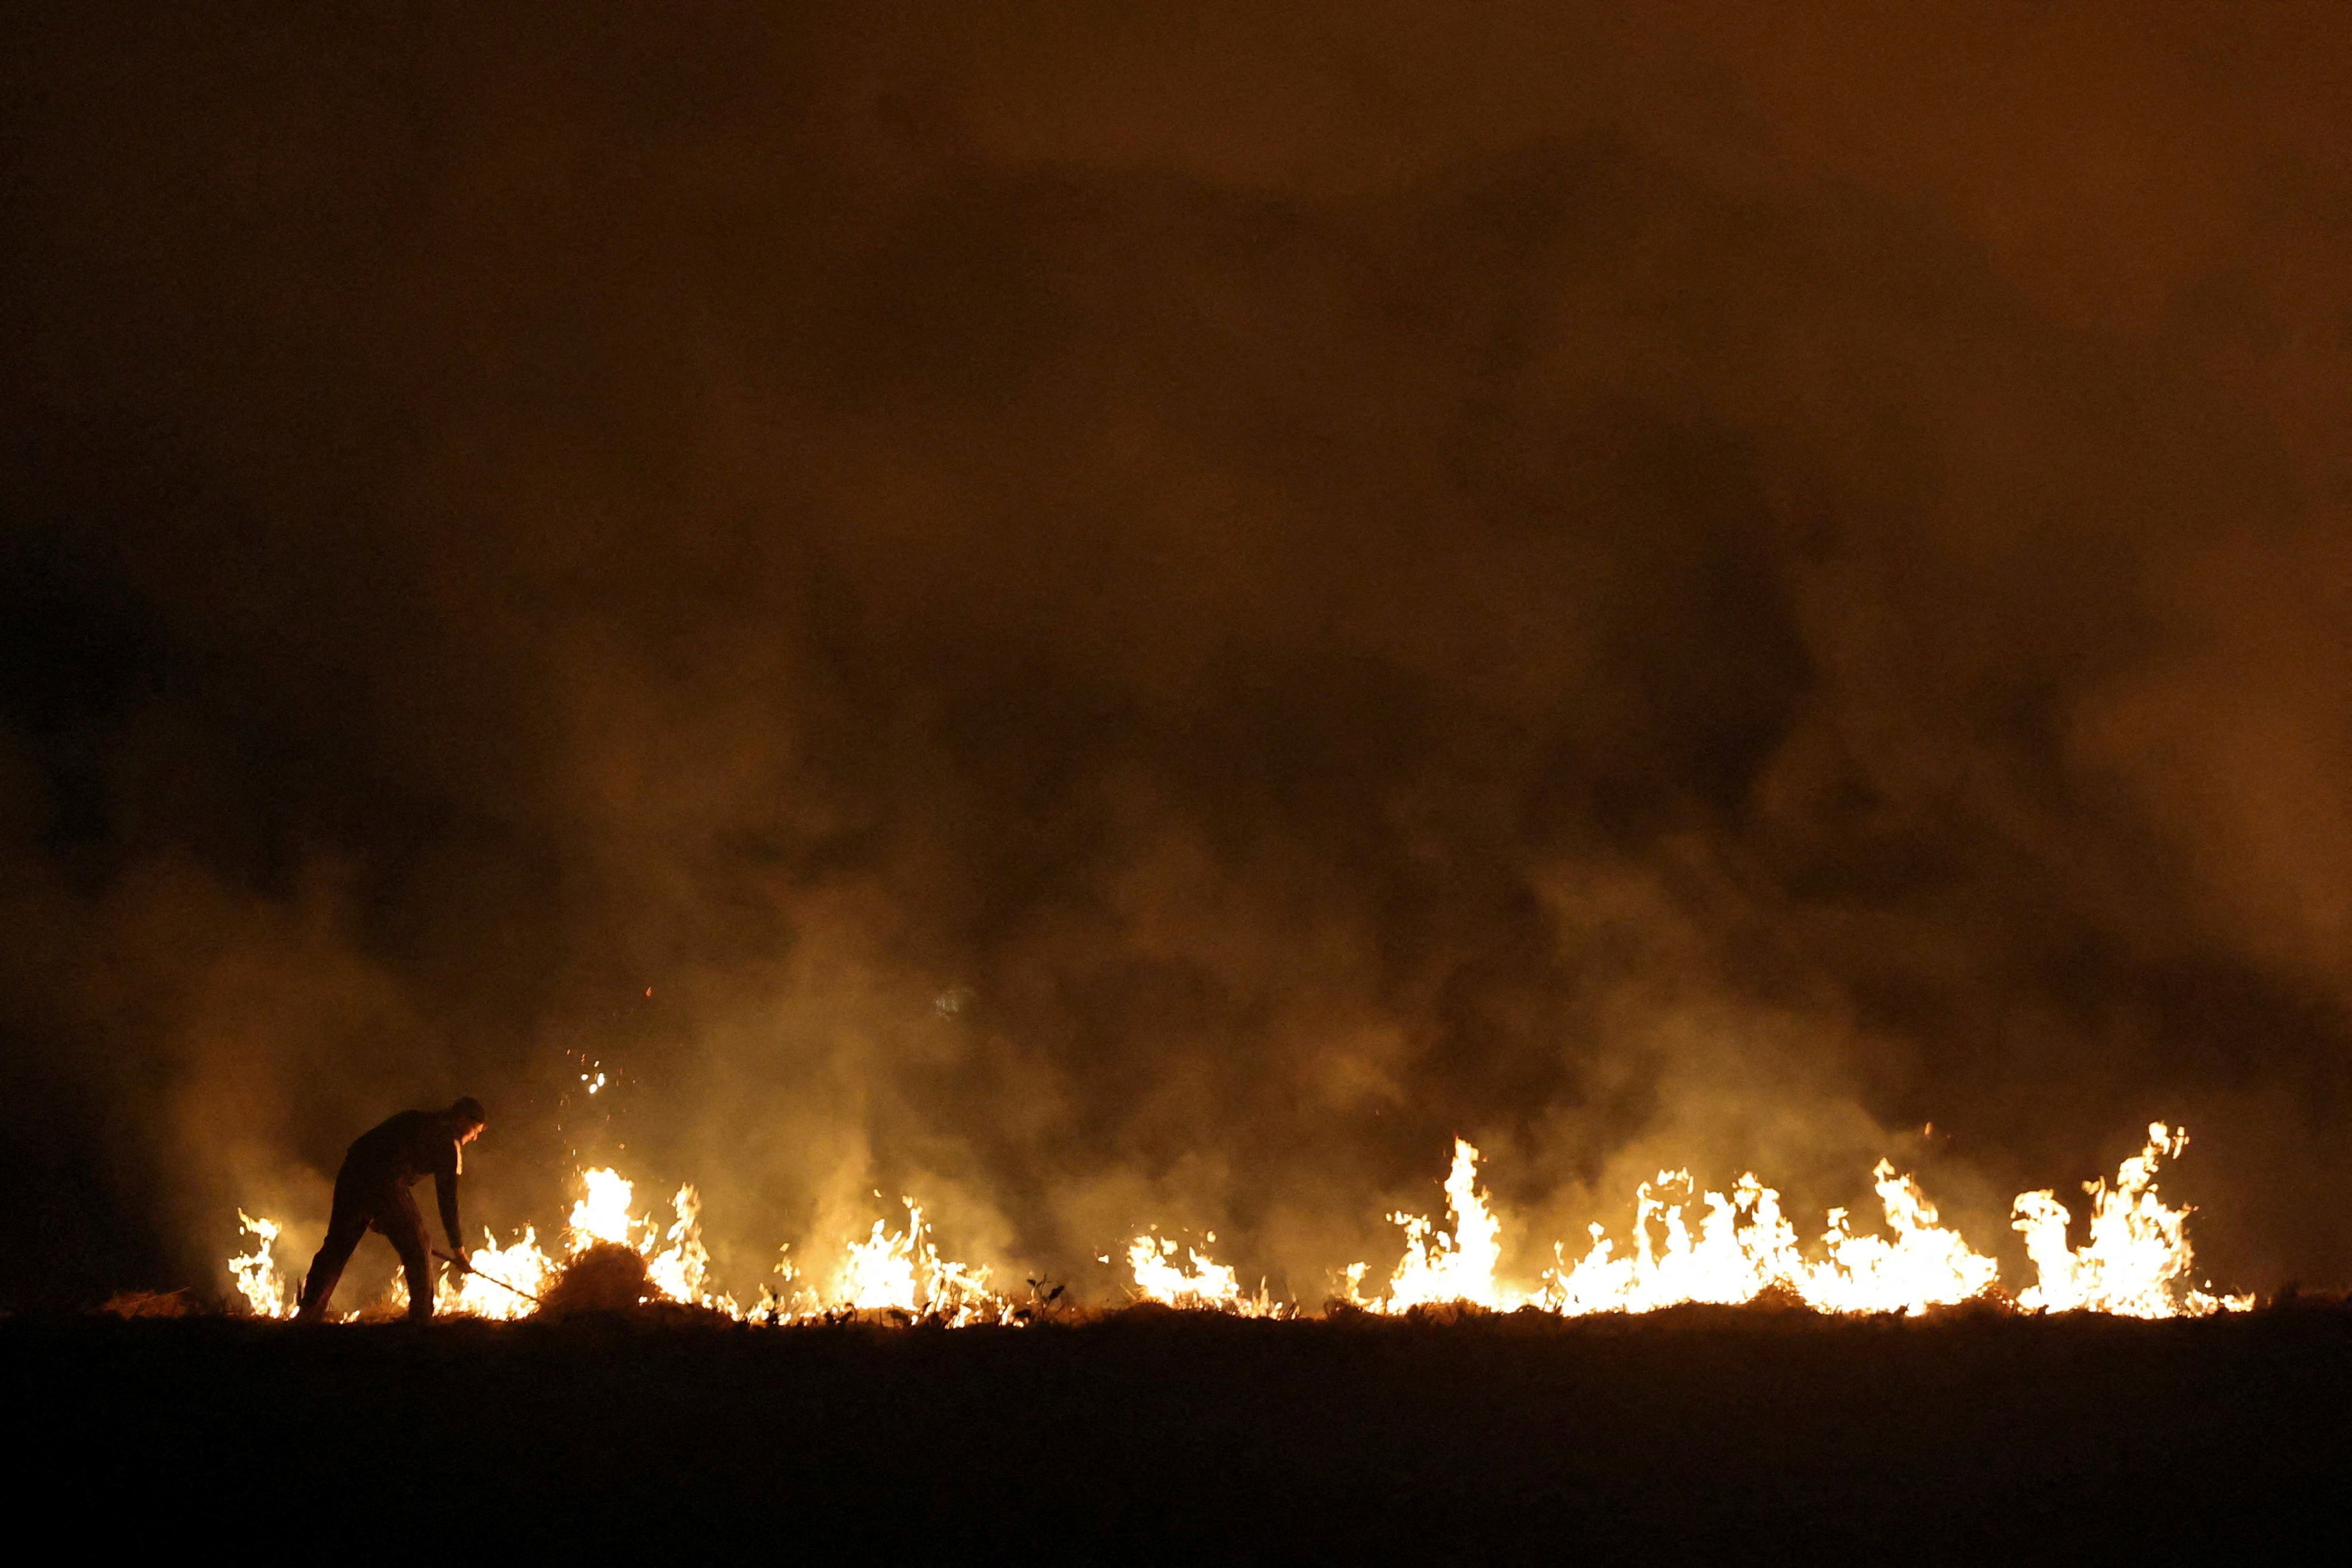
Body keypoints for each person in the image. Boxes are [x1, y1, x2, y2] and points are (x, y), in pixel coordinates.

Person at [294, 1097, 487, 1323]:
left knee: (337, 1246)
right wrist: (458, 1250)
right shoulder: (449, 1143)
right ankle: (421, 1320)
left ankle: (308, 1314)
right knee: (419, 1245)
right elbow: (447, 1200)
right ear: (462, 1120)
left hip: (352, 1170)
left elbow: (373, 1147)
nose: (475, 1137)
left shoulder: (418, 1118)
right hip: (386, 1180)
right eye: (475, 1131)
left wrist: (376, 1211)